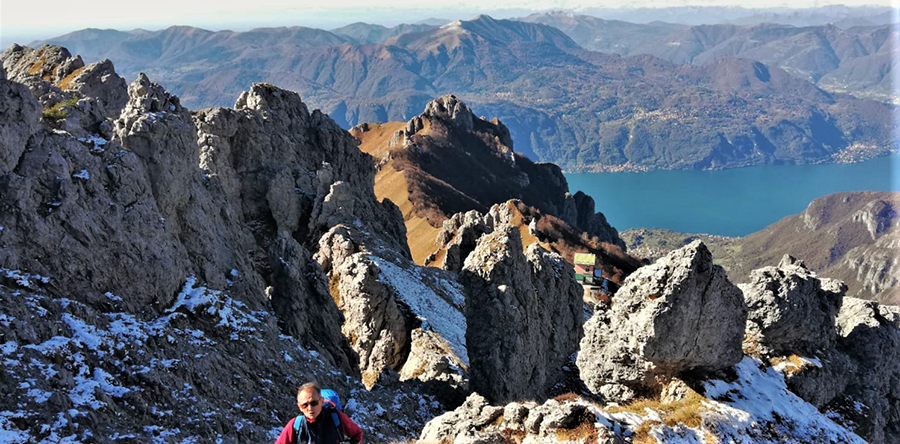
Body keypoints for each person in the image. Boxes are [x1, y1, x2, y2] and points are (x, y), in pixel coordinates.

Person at [274, 383, 363, 444]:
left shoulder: (336, 417)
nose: (310, 408)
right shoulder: (295, 425)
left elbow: (357, 435)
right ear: (299, 407)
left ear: (322, 401)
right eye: (305, 405)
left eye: (314, 403)